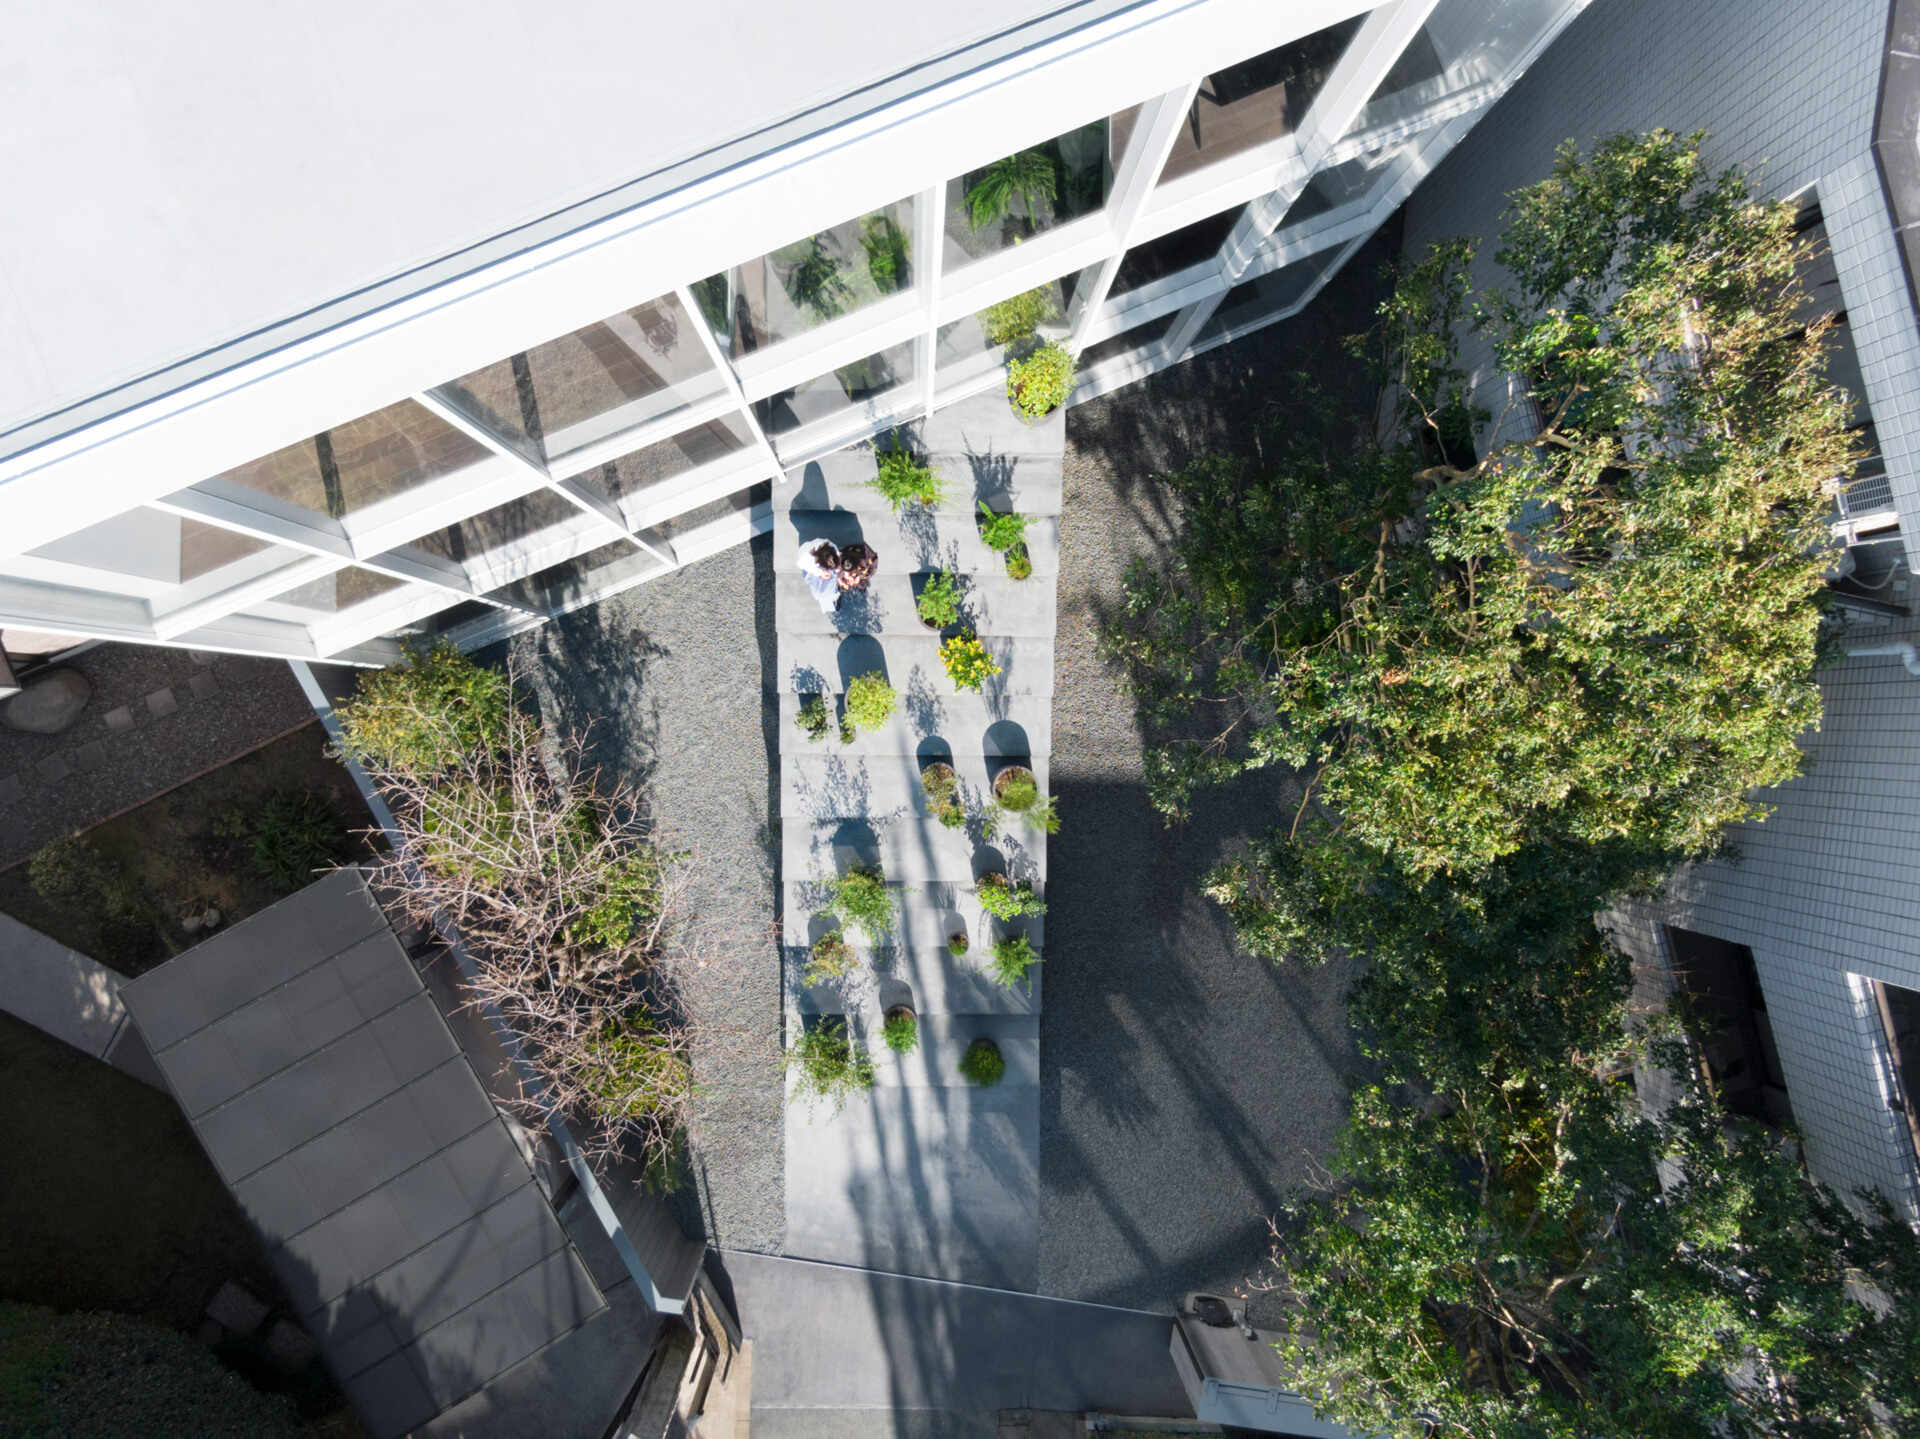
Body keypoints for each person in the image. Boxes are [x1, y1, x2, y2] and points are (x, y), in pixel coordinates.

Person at [797, 540, 841, 616]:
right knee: (818, 591)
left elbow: (837, 557)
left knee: (831, 579)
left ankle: (833, 595)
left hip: (819, 564)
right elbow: (800, 565)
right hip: (809, 568)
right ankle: (829, 599)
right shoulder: (806, 558)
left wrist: (837, 569)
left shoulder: (833, 548)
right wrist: (819, 573)